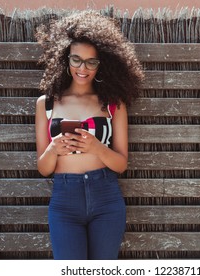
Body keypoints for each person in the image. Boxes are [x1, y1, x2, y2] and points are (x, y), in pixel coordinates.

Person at [35, 11, 144, 260]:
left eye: (91, 62)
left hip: (105, 196)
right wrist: (53, 150)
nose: (82, 68)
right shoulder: (46, 104)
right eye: (76, 59)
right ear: (66, 59)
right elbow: (43, 168)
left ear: (101, 63)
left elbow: (121, 164)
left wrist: (97, 148)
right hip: (64, 201)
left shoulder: (113, 104)